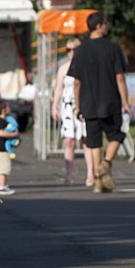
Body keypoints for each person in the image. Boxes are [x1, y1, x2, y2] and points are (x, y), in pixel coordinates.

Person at [67, 12, 130, 194]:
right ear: (99, 26)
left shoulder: (81, 51)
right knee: (117, 135)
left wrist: (78, 105)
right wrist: (125, 102)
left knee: (94, 143)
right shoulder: (113, 48)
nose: (107, 26)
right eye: (105, 23)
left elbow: (76, 82)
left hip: (88, 103)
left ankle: (98, 182)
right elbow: (120, 78)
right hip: (110, 101)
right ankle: (105, 164)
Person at [51, 38, 94, 186]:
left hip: (83, 104)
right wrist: (54, 106)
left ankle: (90, 174)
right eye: (68, 50)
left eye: (74, 49)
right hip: (68, 105)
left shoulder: (87, 66)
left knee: (86, 140)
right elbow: (58, 88)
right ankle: (69, 175)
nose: (71, 53)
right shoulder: (63, 68)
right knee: (69, 141)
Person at [0, 99, 17, 196]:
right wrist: (13, 134)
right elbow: (1, 133)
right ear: (3, 110)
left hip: (0, 149)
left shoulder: (0, 120)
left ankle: (4, 185)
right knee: (3, 169)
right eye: (8, 107)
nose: (9, 108)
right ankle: (1, 187)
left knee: (4, 167)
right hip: (0, 149)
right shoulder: (1, 121)